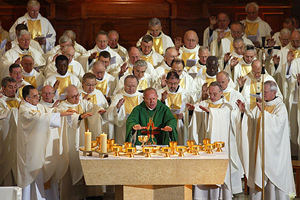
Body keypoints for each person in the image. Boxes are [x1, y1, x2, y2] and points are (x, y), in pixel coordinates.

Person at [235, 81, 295, 199]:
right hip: (260, 150)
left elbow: (279, 124)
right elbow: (252, 120)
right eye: (263, 92)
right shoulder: (260, 105)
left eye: (266, 92)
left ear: (274, 92)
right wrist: (243, 112)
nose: (263, 94)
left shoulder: (280, 106)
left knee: (273, 183)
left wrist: (265, 114)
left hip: (274, 155)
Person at [17, 85, 73, 200]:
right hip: (28, 153)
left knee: (39, 177)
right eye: (35, 96)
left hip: (38, 151)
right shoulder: (24, 110)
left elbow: (50, 111)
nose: (38, 97)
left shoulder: (38, 106)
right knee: (30, 178)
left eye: (38, 95)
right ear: (27, 99)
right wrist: (60, 115)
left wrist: (63, 111)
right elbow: (39, 118)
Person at [188, 81, 241, 198]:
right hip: (204, 145)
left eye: (215, 94)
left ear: (221, 93)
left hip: (218, 148)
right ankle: (201, 196)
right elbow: (196, 115)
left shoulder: (226, 106)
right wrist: (193, 111)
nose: (211, 97)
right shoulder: (203, 102)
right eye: (210, 93)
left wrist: (210, 112)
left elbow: (224, 115)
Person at [58, 85, 106, 200]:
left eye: (77, 95)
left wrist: (98, 110)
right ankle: (73, 197)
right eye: (73, 96)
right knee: (72, 167)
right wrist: (79, 117)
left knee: (87, 166)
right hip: (71, 141)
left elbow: (92, 107)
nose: (76, 98)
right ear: (67, 97)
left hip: (85, 139)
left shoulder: (82, 103)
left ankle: (91, 195)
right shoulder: (63, 106)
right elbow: (65, 119)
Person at [158, 71, 194, 145]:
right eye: (170, 83)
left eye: (175, 83)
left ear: (179, 81)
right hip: (166, 126)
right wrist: (162, 100)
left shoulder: (186, 94)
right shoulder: (160, 93)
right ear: (166, 82)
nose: (173, 86)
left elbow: (190, 112)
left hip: (181, 126)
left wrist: (183, 115)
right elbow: (156, 111)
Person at [107, 75, 143, 144]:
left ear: (137, 85)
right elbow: (109, 114)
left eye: (133, 86)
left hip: (138, 128)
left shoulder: (142, 97)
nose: (131, 88)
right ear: (124, 84)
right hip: (123, 129)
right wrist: (117, 108)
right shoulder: (117, 97)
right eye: (128, 86)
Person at [0, 77, 20, 186]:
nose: (13, 90)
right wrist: (15, 111)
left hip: (18, 140)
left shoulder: (18, 101)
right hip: (6, 139)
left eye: (15, 87)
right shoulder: (1, 101)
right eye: (10, 87)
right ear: (3, 88)